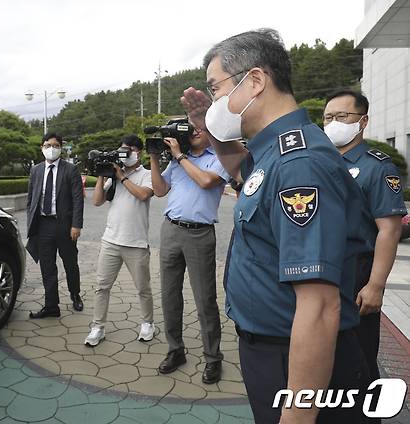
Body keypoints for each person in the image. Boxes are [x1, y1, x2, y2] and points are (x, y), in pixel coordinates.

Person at [181, 29, 369, 423]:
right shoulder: (275, 149)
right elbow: (241, 173)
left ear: (254, 81)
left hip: (297, 359)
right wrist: (208, 124)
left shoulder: (299, 164)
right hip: (273, 350)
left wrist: (298, 416)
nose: (215, 101)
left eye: (216, 89)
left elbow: (319, 305)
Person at [324, 90, 406, 412]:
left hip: (356, 274)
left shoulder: (377, 168)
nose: (333, 124)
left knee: (358, 361)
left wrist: (375, 286)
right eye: (328, 118)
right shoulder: (321, 163)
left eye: (341, 117)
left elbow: (389, 229)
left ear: (362, 121)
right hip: (324, 272)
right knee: (326, 357)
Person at [150, 126, 229, 384]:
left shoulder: (219, 157)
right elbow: (160, 190)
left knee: (205, 299)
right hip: (171, 229)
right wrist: (154, 156)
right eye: (191, 128)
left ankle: (213, 358)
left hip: (199, 234)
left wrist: (180, 156)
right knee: (169, 295)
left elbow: (207, 181)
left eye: (200, 128)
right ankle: (175, 351)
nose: (194, 132)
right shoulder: (176, 160)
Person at [84, 135, 155, 346]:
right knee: (101, 286)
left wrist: (122, 177)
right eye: (123, 149)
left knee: (143, 288)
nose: (125, 153)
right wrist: (101, 175)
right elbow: (97, 201)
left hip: (136, 242)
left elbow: (143, 195)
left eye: (130, 150)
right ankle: (97, 327)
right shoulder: (112, 176)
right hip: (111, 241)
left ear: (139, 152)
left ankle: (147, 323)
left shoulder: (147, 175)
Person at [25, 133, 84, 318]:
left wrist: (76, 225)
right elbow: (31, 199)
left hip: (64, 226)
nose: (51, 148)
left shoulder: (71, 169)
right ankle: (51, 306)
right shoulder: (36, 170)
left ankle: (75, 295)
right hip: (43, 226)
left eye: (55, 145)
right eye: (47, 145)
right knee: (47, 267)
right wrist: (30, 222)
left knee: (70, 264)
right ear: (42, 147)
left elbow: (77, 200)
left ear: (61, 147)